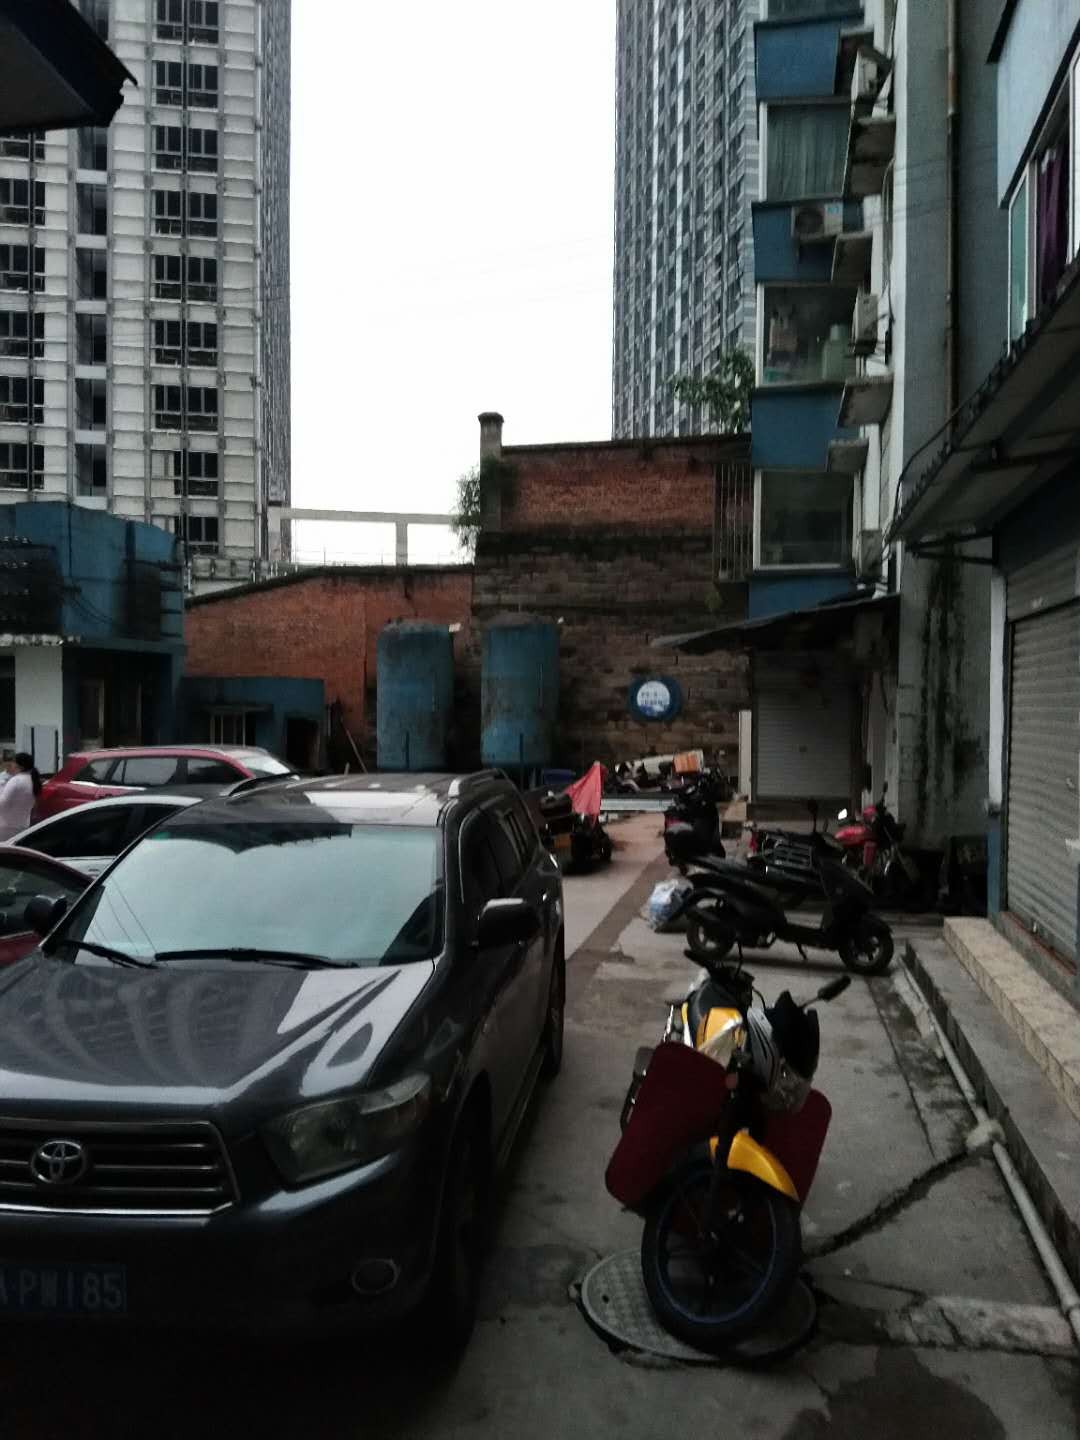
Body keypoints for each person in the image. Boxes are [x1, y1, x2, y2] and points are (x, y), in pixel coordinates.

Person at [0, 752, 41, 843]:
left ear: (20, 766)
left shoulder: (16, 780)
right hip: (23, 825)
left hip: (6, 827)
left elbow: (2, 803)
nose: (11, 764)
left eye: (13, 762)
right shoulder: (32, 780)